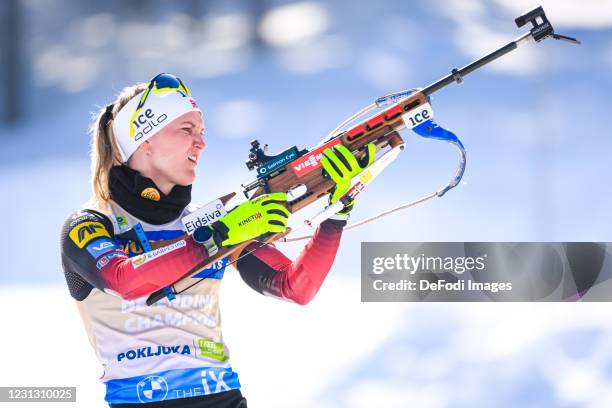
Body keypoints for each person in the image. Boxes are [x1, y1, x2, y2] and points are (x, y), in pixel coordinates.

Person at [59, 73, 375, 407]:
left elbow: (295, 287)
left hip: (223, 398)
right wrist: (220, 236)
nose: (201, 143)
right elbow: (126, 279)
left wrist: (336, 213)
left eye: (202, 131)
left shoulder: (207, 220)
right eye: (187, 129)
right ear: (144, 140)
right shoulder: (90, 225)